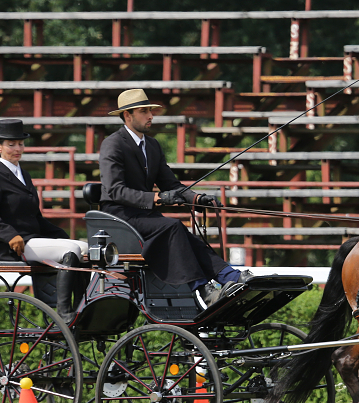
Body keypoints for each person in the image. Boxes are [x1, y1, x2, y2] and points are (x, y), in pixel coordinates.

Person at [98, 89, 249, 304]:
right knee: (173, 227)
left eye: (150, 110)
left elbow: (172, 184)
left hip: (144, 217)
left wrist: (196, 199)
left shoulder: (152, 146)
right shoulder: (113, 144)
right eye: (144, 111)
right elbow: (115, 190)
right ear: (127, 115)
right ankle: (201, 288)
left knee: (187, 236)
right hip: (118, 217)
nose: (150, 116)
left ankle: (230, 276)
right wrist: (156, 199)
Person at [0, 119, 88, 322]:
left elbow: (36, 217)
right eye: (11, 144)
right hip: (16, 246)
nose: (17, 148)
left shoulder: (25, 176)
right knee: (71, 251)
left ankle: (83, 304)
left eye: (20, 143)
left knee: (84, 247)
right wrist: (11, 235)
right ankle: (64, 312)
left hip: (34, 240)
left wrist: (60, 236)